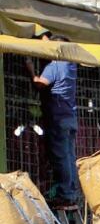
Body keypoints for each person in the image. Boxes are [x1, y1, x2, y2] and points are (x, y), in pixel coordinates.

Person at [25, 35, 81, 207]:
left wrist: (30, 69)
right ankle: (72, 192)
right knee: (69, 157)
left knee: (61, 158)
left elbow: (39, 84)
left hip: (58, 119)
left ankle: (66, 194)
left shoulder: (54, 67)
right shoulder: (71, 65)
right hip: (70, 117)